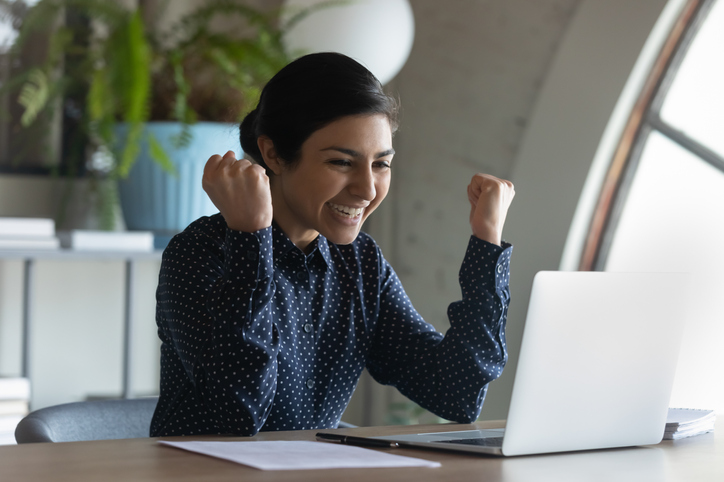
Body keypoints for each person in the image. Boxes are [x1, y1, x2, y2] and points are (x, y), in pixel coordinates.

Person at [150, 52, 515, 437]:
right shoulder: (199, 253)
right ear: (273, 154)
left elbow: (454, 394)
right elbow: (237, 416)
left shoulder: (359, 262)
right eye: (342, 162)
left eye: (381, 164)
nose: (367, 189)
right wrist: (249, 238)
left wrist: (486, 239)